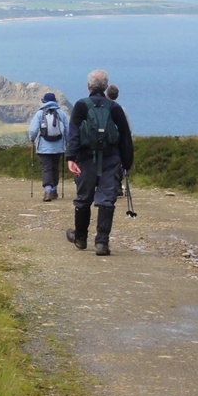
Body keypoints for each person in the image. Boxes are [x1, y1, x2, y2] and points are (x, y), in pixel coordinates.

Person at [65, 69, 134, 256]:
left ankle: (80, 238)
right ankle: (102, 242)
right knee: (106, 200)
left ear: (89, 86)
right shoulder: (114, 107)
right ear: (105, 87)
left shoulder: (81, 106)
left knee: (83, 199)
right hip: (111, 159)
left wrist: (71, 158)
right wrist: (126, 162)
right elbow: (125, 137)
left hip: (85, 159)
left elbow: (74, 134)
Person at [29, 92, 69, 201]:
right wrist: (67, 142)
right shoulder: (61, 113)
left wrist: (32, 139)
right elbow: (67, 130)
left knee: (46, 168)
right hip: (58, 146)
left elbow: (33, 130)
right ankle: (54, 190)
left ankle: (47, 190)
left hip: (44, 146)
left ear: (44, 101)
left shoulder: (40, 113)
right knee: (55, 167)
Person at [106, 84, 128, 197]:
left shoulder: (102, 107)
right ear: (117, 96)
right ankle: (117, 186)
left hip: (104, 140)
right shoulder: (120, 109)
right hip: (117, 141)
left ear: (106, 93)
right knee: (118, 164)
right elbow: (127, 127)